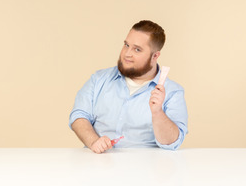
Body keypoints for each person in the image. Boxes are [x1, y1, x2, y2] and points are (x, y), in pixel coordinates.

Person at [69, 20, 188, 154]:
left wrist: (157, 113)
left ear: (155, 56)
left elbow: (172, 142)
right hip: (98, 164)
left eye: (137, 49)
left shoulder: (172, 92)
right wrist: (94, 141)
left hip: (145, 170)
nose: (127, 54)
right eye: (126, 45)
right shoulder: (98, 79)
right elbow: (79, 115)